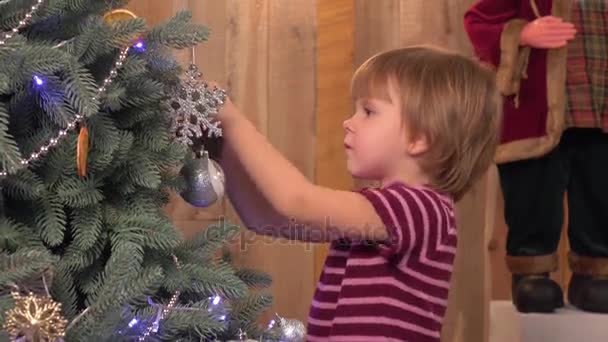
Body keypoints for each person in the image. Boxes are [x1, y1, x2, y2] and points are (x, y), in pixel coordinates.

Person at [209, 45, 501, 341]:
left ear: (420, 137)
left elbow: (295, 201)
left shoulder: (420, 208)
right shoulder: (381, 211)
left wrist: (233, 120)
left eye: (369, 111)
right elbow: (265, 218)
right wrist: (221, 150)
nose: (348, 122)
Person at [464, 0, 608, 313]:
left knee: (599, 190)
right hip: (538, 110)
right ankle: (531, 272)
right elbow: (478, 22)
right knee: (534, 192)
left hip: (601, 110)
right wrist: (523, 33)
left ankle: (595, 272)